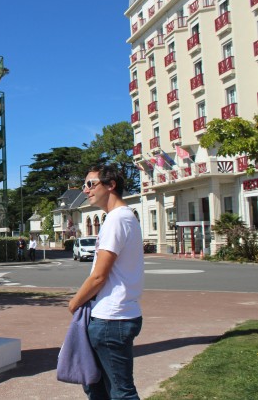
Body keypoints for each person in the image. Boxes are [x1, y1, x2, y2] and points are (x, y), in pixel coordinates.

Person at [68, 165, 144, 400]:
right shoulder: (124, 217)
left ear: (110, 186)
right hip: (117, 316)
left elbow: (99, 276)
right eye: (84, 185)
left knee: (121, 392)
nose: (86, 191)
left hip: (112, 319)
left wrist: (74, 303)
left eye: (91, 184)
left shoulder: (116, 220)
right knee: (99, 387)